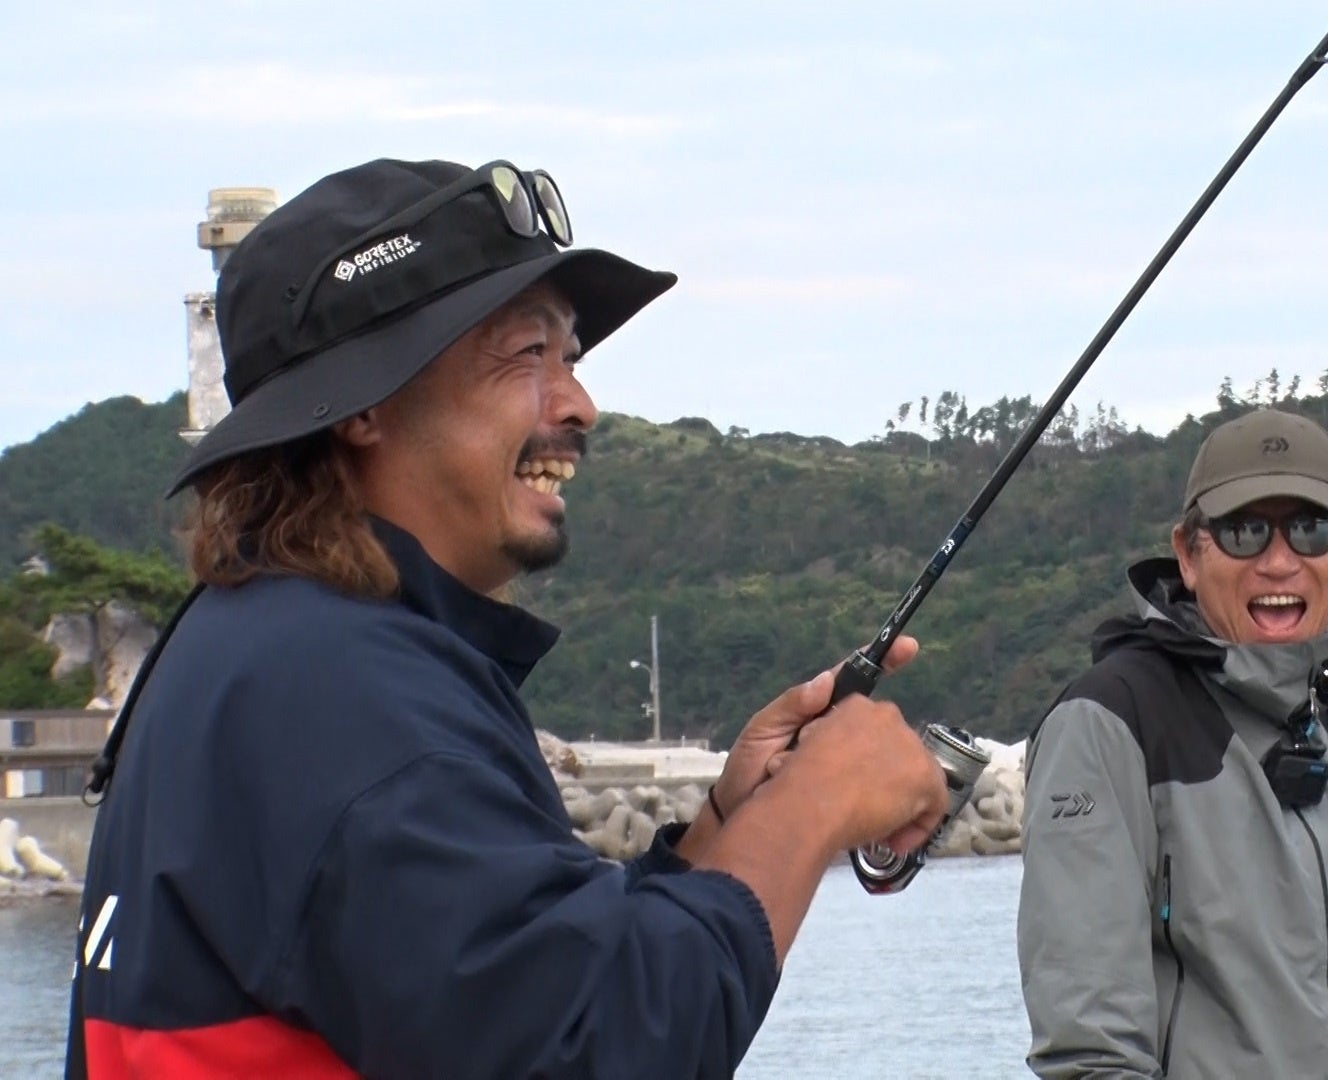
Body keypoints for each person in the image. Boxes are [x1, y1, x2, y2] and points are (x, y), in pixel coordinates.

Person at [67, 157, 949, 1079]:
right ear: (365, 404)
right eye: (527, 354)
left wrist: (732, 821)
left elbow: (495, 998)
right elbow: (599, 1047)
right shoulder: (346, 696)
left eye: (570, 356)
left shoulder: (261, 645)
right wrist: (813, 807)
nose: (581, 404)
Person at [1017, 408, 1328, 1078]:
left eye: (1311, 529)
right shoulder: (1109, 724)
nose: (1280, 562)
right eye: (1245, 531)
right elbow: (1091, 1052)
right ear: (1189, 554)